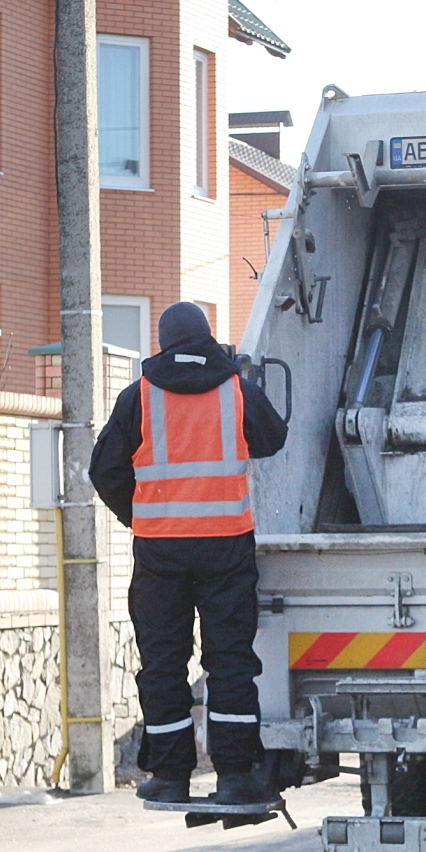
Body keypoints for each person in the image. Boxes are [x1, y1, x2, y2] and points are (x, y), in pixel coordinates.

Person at [89, 302, 290, 806]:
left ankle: (171, 775)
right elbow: (273, 438)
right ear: (206, 338)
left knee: (162, 663)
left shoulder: (139, 398)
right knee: (230, 663)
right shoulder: (237, 390)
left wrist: (140, 517)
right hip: (227, 549)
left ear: (163, 343)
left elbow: (104, 470)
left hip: (160, 554)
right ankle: (235, 776)